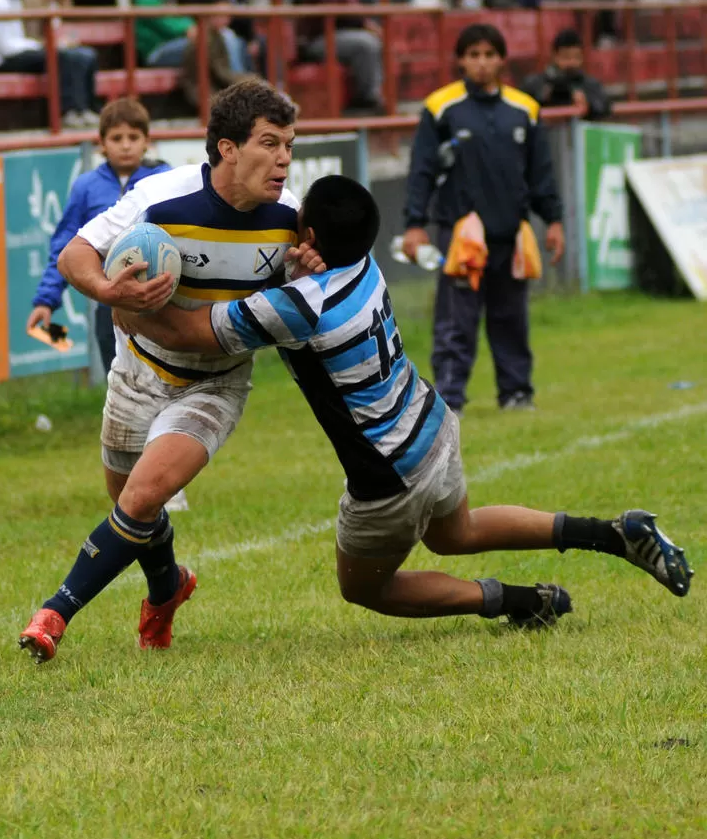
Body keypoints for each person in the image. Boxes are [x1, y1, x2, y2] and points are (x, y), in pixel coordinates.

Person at [113, 174, 693, 629]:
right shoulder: (361, 266)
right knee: (454, 533)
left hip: (390, 471)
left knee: (365, 588)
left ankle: (519, 601)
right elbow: (293, 285)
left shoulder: (296, 306)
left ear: (309, 239)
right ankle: (613, 533)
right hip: (429, 424)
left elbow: (189, 334)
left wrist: (126, 302)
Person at [18, 79, 316, 663]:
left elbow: (310, 293)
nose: (283, 158)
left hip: (217, 381)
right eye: (270, 143)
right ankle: (167, 588)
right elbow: (75, 253)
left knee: (145, 494)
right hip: (137, 370)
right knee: (135, 508)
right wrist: (107, 287)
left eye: (290, 145)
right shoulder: (162, 198)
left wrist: (308, 272)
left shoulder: (289, 218)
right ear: (228, 149)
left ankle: (55, 612)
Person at [402, 23, 565, 413]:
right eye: (473, 54)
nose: (482, 62)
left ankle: (516, 393)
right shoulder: (440, 107)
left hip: (510, 233)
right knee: (456, 320)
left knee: (512, 319)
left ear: (502, 60)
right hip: (460, 236)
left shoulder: (525, 109)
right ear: (460, 60)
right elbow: (422, 169)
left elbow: (540, 172)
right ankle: (450, 398)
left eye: (489, 54)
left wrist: (554, 220)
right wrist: (414, 224)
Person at [26, 98, 170, 375]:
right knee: (118, 382)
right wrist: (46, 300)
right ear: (102, 144)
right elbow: (65, 247)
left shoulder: (164, 180)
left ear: (146, 142)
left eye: (133, 137)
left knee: (163, 381)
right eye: (117, 138)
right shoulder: (86, 187)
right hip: (110, 302)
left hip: (160, 300)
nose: (126, 144)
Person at [0, 0, 99, 129]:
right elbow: (6, 47)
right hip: (2, 60)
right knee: (60, 57)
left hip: (19, 51)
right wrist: (41, 46)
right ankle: (66, 111)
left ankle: (85, 108)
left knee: (79, 54)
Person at [299, 0, 384, 113]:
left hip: (339, 34)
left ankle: (374, 92)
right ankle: (366, 97)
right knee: (365, 43)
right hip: (318, 39)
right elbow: (338, 13)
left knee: (371, 39)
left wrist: (364, 22)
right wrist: (363, 23)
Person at [523, 29, 612, 120]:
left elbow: (605, 108)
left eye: (576, 57)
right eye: (566, 57)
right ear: (554, 56)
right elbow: (521, 111)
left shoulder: (590, 84)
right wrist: (543, 98)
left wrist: (588, 105)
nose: (571, 62)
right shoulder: (535, 83)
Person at [193, 0, 262, 74]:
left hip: (240, 36)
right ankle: (240, 83)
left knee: (263, 43)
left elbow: (247, 20)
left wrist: (252, 39)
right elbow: (218, 22)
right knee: (230, 40)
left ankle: (266, 83)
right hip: (217, 36)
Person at [180, 12, 253, 110]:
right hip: (206, 91)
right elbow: (221, 73)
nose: (227, 19)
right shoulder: (207, 38)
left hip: (213, 87)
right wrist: (248, 80)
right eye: (223, 14)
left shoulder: (217, 35)